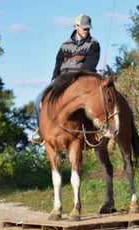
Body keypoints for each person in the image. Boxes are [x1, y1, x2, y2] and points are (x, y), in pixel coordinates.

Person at [31, 14, 101, 145]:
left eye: (88, 29)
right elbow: (58, 64)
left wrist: (75, 80)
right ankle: (40, 131)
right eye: (84, 28)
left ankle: (97, 130)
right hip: (61, 79)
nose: (86, 31)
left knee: (95, 100)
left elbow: (89, 67)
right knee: (39, 98)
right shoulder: (65, 45)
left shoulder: (94, 44)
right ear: (76, 26)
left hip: (81, 80)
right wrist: (54, 81)